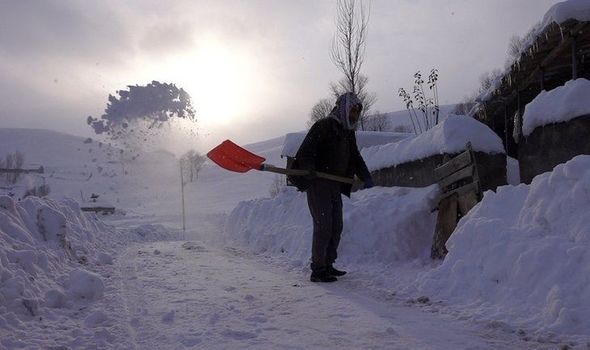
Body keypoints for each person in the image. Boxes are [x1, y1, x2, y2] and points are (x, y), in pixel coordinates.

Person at [290, 92, 374, 283]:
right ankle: (318, 270)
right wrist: (309, 169)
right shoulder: (324, 125)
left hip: (335, 184)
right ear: (343, 108)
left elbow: (355, 157)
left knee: (336, 226)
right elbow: (308, 150)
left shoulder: (347, 132)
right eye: (352, 110)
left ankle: (328, 264)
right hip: (319, 183)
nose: (354, 115)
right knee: (324, 225)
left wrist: (366, 177)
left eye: (357, 112)